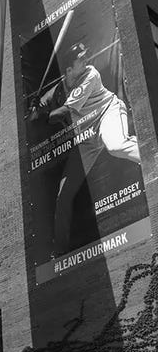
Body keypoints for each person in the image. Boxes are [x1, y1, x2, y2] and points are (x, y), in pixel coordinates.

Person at [30, 42, 141, 256]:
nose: (86, 59)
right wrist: (35, 110)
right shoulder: (56, 91)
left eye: (85, 56)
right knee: (63, 195)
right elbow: (35, 116)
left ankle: (148, 151)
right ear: (69, 70)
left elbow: (61, 114)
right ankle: (60, 251)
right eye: (80, 58)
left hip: (107, 113)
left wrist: (43, 114)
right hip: (87, 138)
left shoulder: (91, 74)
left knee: (116, 145)